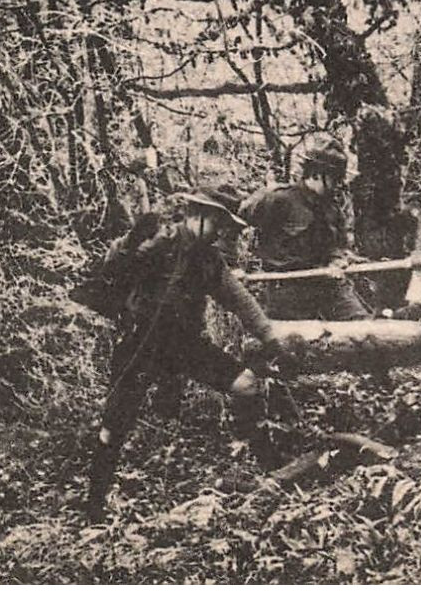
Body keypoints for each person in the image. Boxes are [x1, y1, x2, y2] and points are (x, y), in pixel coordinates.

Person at [78, 185, 284, 521]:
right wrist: (131, 244)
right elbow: (113, 268)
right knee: (114, 425)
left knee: (247, 384)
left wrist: (270, 337)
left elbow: (238, 299)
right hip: (140, 343)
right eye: (218, 222)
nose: (221, 232)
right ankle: (94, 506)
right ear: (199, 216)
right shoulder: (159, 240)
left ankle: (272, 471)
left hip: (183, 344)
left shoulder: (208, 260)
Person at [242, 139, 370, 321]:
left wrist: (337, 261)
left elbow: (339, 246)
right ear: (317, 174)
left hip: (327, 284)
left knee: (362, 327)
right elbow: (236, 219)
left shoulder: (332, 209)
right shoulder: (279, 200)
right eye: (335, 179)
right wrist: (232, 262)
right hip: (288, 289)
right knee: (299, 341)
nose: (338, 185)